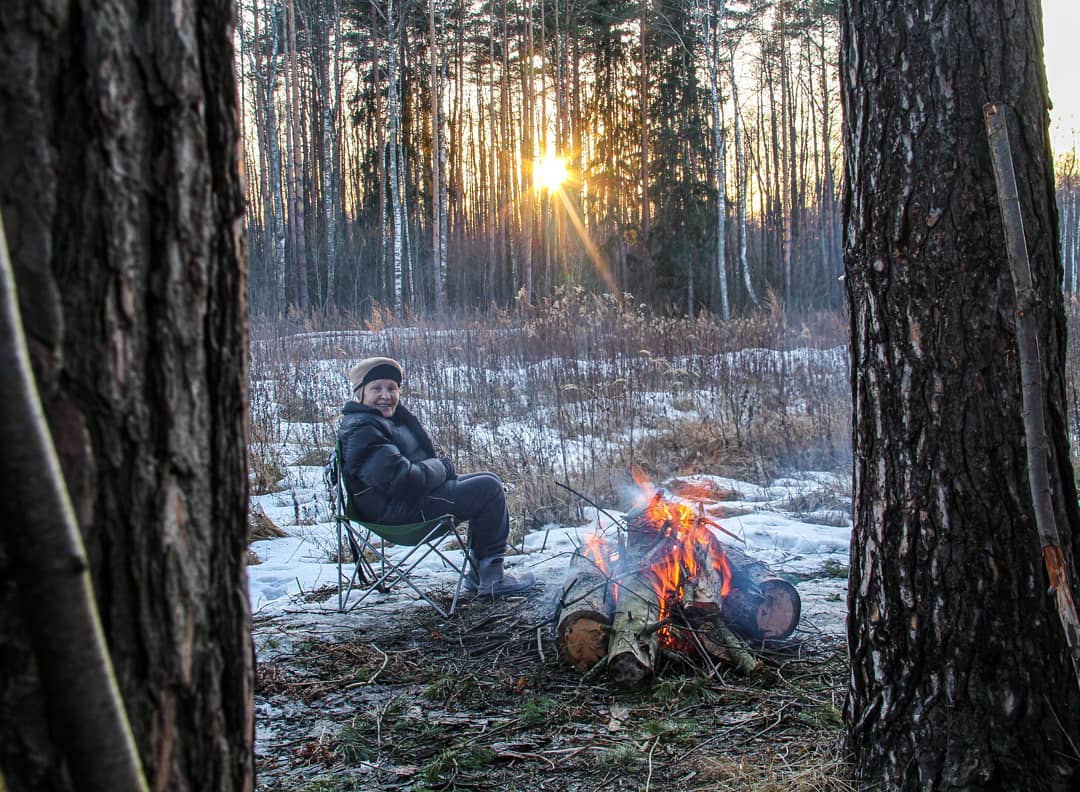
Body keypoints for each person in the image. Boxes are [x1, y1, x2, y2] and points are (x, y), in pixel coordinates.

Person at [337, 356, 535, 597]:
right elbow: (403, 480)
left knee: (488, 479)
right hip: (396, 514)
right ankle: (491, 579)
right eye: (376, 388)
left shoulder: (377, 421)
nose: (386, 395)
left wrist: (438, 469)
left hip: (399, 503)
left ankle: (481, 576)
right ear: (360, 393)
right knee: (488, 489)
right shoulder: (363, 429)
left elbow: (408, 474)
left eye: (392, 388)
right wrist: (443, 467)